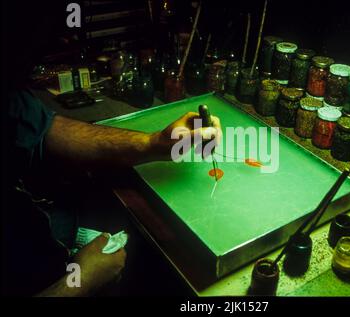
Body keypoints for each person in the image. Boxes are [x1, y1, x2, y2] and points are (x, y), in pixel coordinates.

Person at [1, 1, 222, 296]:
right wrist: (76, 285)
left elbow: (42, 130)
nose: (60, 41)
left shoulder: (10, 95)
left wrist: (154, 143)